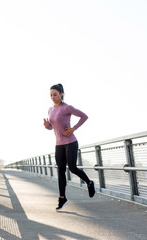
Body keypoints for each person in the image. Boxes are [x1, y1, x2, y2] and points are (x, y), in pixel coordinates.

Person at [43, 83, 95, 211]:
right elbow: (52, 127)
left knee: (72, 168)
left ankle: (89, 183)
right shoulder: (50, 109)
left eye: (55, 94)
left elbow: (84, 116)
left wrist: (73, 129)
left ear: (61, 94)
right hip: (59, 144)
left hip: (71, 143)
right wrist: (47, 126)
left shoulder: (67, 108)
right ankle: (62, 198)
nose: (53, 97)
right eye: (51, 95)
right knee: (60, 171)